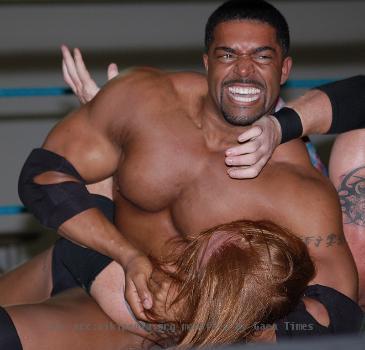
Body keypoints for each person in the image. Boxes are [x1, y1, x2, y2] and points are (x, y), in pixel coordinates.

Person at [0, 0, 364, 348]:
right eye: (227, 54)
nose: (243, 70)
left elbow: (331, 317)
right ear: (207, 62)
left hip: (148, 321)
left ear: (284, 69)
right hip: (94, 253)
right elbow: (42, 177)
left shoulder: (297, 188)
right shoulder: (142, 100)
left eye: (261, 56)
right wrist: (126, 255)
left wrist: (202, 321)